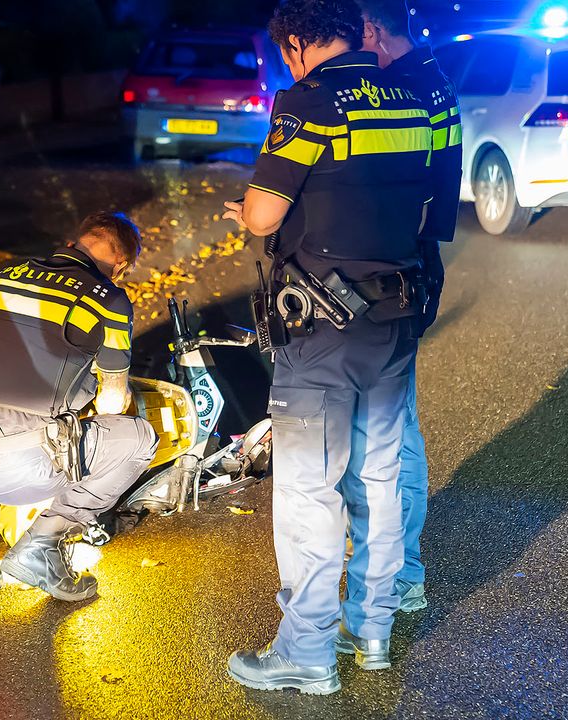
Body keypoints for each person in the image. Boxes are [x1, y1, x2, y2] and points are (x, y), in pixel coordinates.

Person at [221, 0, 433, 694]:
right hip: (394, 318)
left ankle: (308, 651)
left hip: (320, 332)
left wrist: (258, 202)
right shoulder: (409, 96)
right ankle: (371, 629)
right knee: (378, 476)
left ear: (295, 42)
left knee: (312, 491)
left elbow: (262, 214)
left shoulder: (308, 100)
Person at [0, 212, 158, 601]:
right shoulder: (108, 299)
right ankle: (42, 546)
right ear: (121, 266)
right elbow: (113, 400)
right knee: (137, 439)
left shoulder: (2, 277)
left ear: (73, 244)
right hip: (17, 472)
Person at [358, 0, 462, 614]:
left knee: (392, 433)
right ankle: (400, 565)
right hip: (419, 261)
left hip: (399, 268)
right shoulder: (432, 77)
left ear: (371, 30)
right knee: (395, 426)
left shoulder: (401, 89)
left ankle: (399, 570)